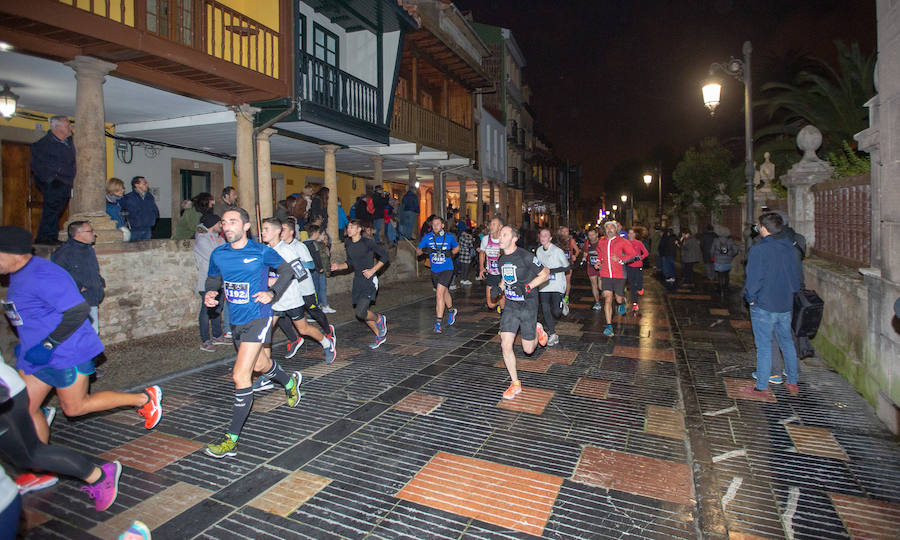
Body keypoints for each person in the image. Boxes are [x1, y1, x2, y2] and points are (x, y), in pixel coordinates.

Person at [0, 226, 162, 478]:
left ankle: (144, 399)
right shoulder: (16, 273)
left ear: (14, 253)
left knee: (75, 408)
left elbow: (77, 310)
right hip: (36, 356)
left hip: (66, 352)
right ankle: (40, 469)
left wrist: (48, 344)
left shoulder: (44, 274)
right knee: (25, 408)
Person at [202, 209, 300, 458]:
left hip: (259, 316)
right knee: (261, 363)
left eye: (233, 221)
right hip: (237, 321)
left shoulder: (260, 251)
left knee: (240, 375)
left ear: (246, 226)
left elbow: (288, 271)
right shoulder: (219, 254)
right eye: (224, 222)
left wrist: (273, 293)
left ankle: (230, 440)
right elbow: (213, 279)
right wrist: (211, 293)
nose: (227, 226)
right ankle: (289, 383)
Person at [0, 353, 123, 512]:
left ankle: (100, 477)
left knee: (30, 454)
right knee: (26, 454)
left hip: (6, 393)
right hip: (11, 385)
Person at [259, 218, 336, 370]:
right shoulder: (265, 250)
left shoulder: (286, 250)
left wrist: (274, 281)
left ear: (277, 231)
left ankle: (327, 344)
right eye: (262, 229)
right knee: (265, 333)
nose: (262, 232)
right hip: (274, 299)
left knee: (303, 329)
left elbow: (300, 272)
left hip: (291, 297)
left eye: (266, 229)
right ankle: (265, 368)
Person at [742, 212, 802, 397]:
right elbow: (795, 278)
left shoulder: (759, 250)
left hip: (763, 304)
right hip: (784, 304)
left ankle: (761, 385)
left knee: (764, 345)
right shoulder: (790, 248)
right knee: (786, 342)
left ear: (764, 228)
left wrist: (750, 297)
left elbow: (754, 278)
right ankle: (792, 380)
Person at [497, 225, 550, 399]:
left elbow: (545, 274)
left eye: (504, 234)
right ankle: (515, 383)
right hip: (511, 306)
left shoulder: (526, 256)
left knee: (528, 350)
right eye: (500, 234)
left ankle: (537, 328)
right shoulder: (502, 259)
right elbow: (506, 279)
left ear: (514, 239)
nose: (500, 237)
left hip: (528, 304)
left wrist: (527, 287)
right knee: (505, 343)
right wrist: (499, 289)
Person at [330, 219, 389, 348]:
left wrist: (372, 270)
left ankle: (379, 319)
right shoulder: (348, 244)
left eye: (352, 227)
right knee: (362, 313)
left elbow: (385, 256)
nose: (349, 229)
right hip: (358, 281)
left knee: (361, 311)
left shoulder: (367, 243)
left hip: (369, 280)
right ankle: (379, 335)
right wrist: (338, 266)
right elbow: (350, 263)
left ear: (359, 229)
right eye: (348, 227)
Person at [51, 221, 105, 334]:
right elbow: (57, 276)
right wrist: (78, 287)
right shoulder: (64, 253)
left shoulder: (88, 249)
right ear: (79, 234)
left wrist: (99, 282)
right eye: (90, 231)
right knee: (84, 335)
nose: (94, 234)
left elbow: (92, 270)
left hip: (91, 298)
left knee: (92, 334)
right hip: (77, 302)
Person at [30, 115, 75, 245]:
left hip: (65, 181)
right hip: (54, 181)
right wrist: (51, 178)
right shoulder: (44, 144)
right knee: (51, 209)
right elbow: (36, 165)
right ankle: (45, 238)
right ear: (57, 127)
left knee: (57, 210)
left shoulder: (68, 142)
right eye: (67, 126)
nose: (70, 128)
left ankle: (49, 236)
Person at [417, 216, 459, 333]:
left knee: (439, 293)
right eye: (433, 224)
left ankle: (438, 323)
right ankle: (451, 310)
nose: (435, 226)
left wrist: (450, 253)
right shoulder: (428, 237)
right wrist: (425, 251)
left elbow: (457, 248)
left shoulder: (449, 237)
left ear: (442, 226)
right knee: (444, 292)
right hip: (435, 270)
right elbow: (418, 251)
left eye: (437, 224)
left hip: (447, 269)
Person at [596, 221, 638, 336]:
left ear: (616, 229)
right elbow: (599, 253)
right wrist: (598, 262)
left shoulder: (622, 241)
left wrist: (620, 259)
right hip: (605, 274)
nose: (609, 229)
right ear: (605, 230)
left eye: (612, 227)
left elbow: (632, 254)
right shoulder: (601, 242)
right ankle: (609, 326)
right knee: (608, 298)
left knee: (618, 299)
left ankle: (622, 302)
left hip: (619, 274)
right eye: (607, 227)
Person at [193, 213, 227, 352]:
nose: (222, 226)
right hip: (207, 281)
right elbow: (217, 256)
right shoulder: (203, 240)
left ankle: (218, 336)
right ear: (214, 224)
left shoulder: (218, 239)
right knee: (206, 311)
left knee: (217, 309)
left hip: (220, 279)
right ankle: (205, 340)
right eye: (220, 223)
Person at [536, 228, 570, 347]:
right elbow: (538, 267)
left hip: (557, 284)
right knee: (545, 308)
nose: (543, 237)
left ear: (550, 238)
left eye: (546, 235)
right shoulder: (539, 251)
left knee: (556, 312)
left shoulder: (557, 251)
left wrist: (551, 270)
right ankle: (553, 334)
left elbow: (567, 267)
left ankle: (562, 303)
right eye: (542, 235)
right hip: (544, 284)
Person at [305, 224, 335, 314]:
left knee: (317, 289)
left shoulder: (307, 244)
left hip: (315, 270)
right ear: (315, 233)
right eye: (319, 232)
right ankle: (314, 311)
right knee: (315, 290)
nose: (319, 234)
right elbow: (315, 257)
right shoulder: (312, 244)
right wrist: (319, 268)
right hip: (315, 271)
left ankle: (320, 307)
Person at [478, 217, 505, 312]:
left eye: (494, 224)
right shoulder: (486, 239)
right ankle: (498, 302)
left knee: (503, 305)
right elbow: (482, 253)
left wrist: (502, 254)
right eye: (491, 224)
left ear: (500, 227)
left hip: (502, 274)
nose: (491, 226)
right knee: (490, 304)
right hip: (491, 273)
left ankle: (503, 322)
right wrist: (481, 268)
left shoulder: (504, 239)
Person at [120, 176, 159, 241]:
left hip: (147, 228)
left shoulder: (150, 197)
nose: (147, 185)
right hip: (134, 229)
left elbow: (155, 209)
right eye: (144, 183)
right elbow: (123, 211)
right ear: (137, 185)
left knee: (146, 248)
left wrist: (153, 218)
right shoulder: (129, 198)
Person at [625, 228, 650, 313]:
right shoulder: (625, 243)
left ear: (635, 235)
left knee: (638, 283)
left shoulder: (639, 243)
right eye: (630, 233)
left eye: (633, 233)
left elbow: (646, 253)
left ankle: (640, 288)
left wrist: (640, 258)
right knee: (632, 285)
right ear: (627, 235)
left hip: (638, 266)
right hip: (629, 266)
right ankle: (635, 304)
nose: (631, 235)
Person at [558, 226, 580, 310]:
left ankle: (566, 296)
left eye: (566, 231)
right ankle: (560, 294)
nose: (564, 233)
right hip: (559, 264)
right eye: (562, 232)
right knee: (560, 280)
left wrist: (575, 255)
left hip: (568, 263)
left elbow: (577, 251)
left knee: (567, 280)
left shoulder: (571, 241)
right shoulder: (558, 241)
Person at [711, 228, 738, 297]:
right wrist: (731, 256)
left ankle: (720, 290)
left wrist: (713, 257)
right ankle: (726, 288)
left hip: (718, 260)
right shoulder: (730, 241)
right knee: (726, 275)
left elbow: (712, 251)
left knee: (719, 275)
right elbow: (735, 250)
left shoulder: (715, 240)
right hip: (727, 261)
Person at [582, 227, 603, 310]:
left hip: (601, 266)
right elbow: (585, 252)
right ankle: (597, 302)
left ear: (596, 234)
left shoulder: (601, 242)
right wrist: (584, 257)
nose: (591, 237)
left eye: (593, 234)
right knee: (594, 285)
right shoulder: (587, 243)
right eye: (589, 235)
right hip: (591, 266)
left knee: (601, 286)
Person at [105, 177, 130, 241]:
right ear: (112, 189)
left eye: (123, 188)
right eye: (120, 189)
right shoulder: (106, 204)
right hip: (112, 233)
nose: (123, 190)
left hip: (121, 231)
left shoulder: (118, 202)